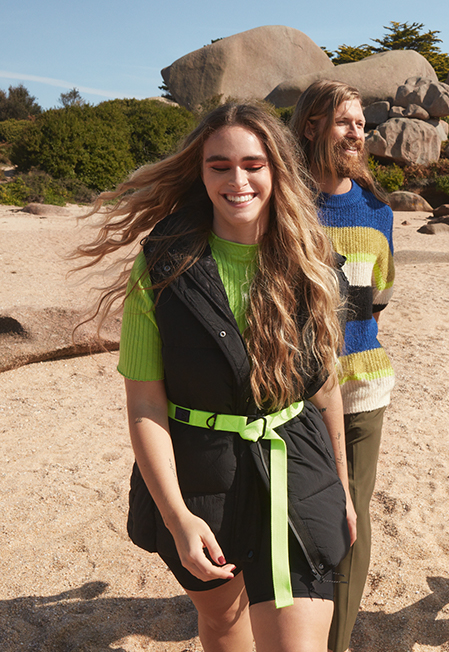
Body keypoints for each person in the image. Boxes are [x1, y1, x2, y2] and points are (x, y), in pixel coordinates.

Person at [76, 102, 356, 652]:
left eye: (253, 164)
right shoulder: (160, 264)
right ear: (200, 173)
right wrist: (177, 517)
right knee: (226, 626)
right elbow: (145, 406)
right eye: (219, 166)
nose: (237, 180)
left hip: (296, 463)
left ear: (277, 170)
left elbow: (325, 388)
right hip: (202, 472)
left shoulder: (312, 260)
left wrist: (342, 489)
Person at [290, 80, 397, 652]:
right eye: (343, 122)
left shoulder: (377, 209)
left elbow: (376, 300)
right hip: (288, 390)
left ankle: (335, 640)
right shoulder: (282, 200)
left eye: (361, 124)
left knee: (351, 518)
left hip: (360, 385)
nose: (357, 133)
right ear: (311, 127)